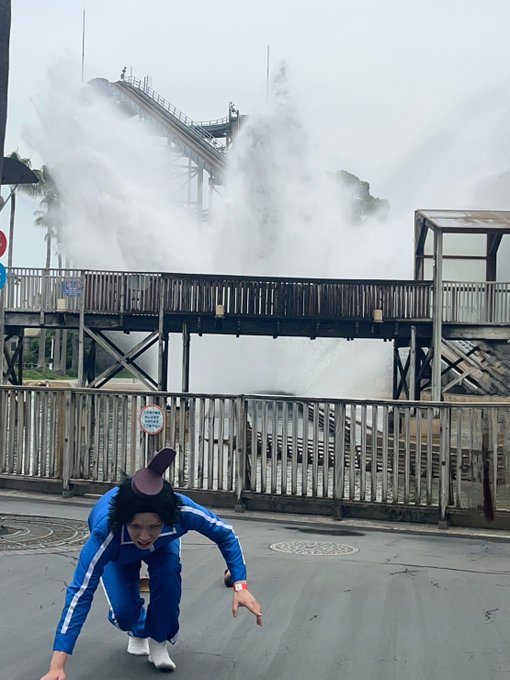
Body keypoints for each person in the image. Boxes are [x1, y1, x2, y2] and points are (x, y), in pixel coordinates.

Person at [40, 448, 262, 679]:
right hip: (120, 553)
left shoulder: (180, 511)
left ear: (167, 519)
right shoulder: (106, 533)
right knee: (124, 613)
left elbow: (225, 534)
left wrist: (240, 585)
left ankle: (158, 640)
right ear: (125, 521)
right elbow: (80, 593)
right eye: (136, 526)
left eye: (154, 526)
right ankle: (137, 629)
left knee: (168, 574)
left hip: (162, 547)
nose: (144, 536)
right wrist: (57, 666)